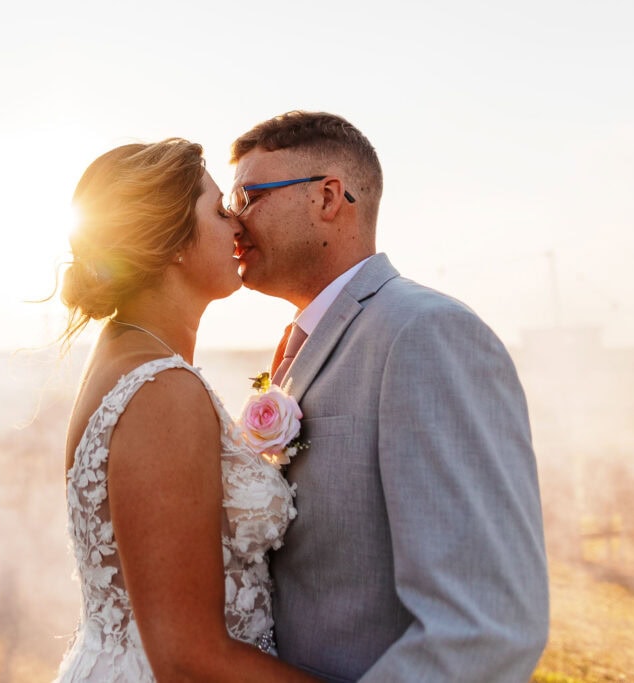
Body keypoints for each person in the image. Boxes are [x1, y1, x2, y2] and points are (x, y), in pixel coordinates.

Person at [228, 111, 550, 681]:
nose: (234, 219)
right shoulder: (307, 342)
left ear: (327, 198)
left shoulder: (427, 333)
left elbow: (486, 627)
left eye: (248, 197)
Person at [53, 139, 319, 682]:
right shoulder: (162, 390)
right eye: (220, 211)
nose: (238, 224)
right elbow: (187, 658)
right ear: (173, 241)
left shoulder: (124, 353)